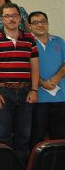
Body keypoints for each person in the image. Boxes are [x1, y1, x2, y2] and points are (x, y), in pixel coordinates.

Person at [0, 3, 38, 167]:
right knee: (4, 136)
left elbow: (35, 67)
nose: (11, 19)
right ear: (2, 19)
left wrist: (34, 90)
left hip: (25, 93)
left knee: (24, 136)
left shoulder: (29, 38)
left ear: (20, 17)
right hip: (3, 92)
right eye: (7, 16)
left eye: (14, 15)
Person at [27, 11, 65, 148]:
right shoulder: (27, 44)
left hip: (61, 97)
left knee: (60, 137)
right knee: (37, 137)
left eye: (43, 21)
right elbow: (26, 68)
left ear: (48, 23)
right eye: (35, 22)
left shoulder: (59, 41)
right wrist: (42, 83)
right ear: (29, 26)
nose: (40, 25)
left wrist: (56, 78)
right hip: (38, 98)